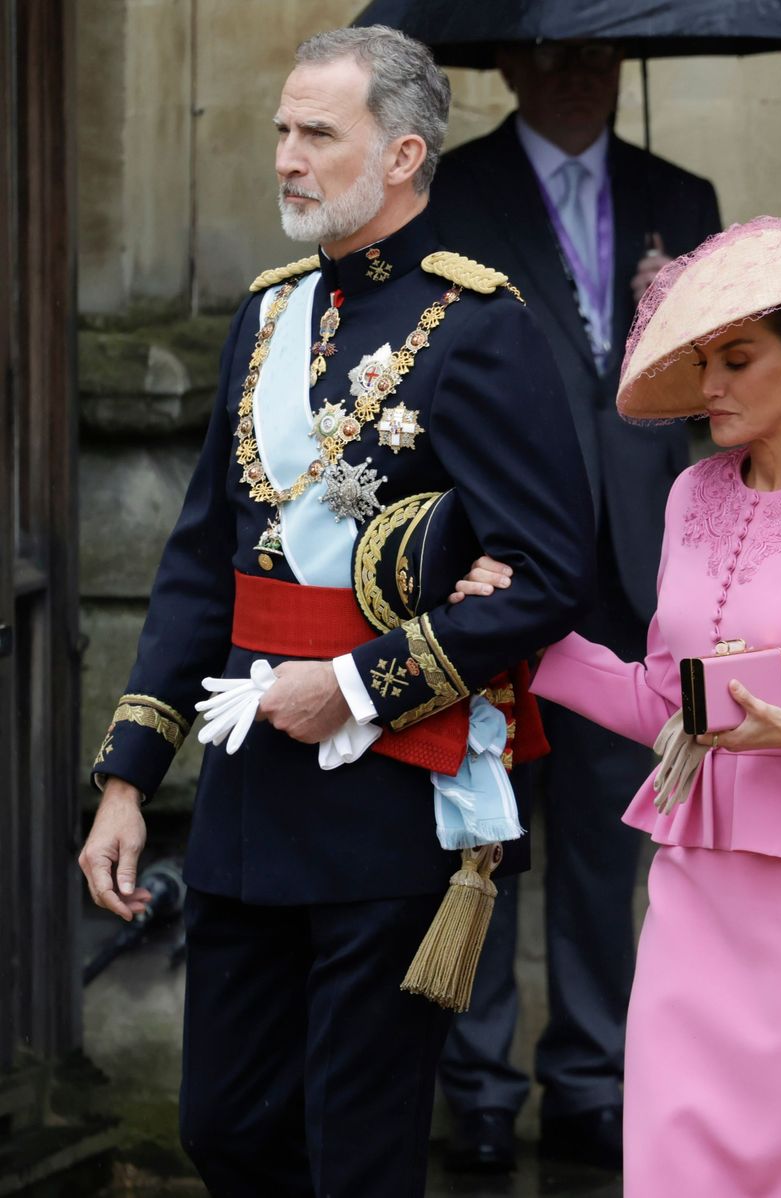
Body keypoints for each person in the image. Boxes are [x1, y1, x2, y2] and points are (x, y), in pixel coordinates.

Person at [76, 25, 594, 1198]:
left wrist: (357, 683)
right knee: (223, 1125)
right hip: (250, 796)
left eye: (319, 134)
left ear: (402, 154)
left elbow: (551, 573)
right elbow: (204, 563)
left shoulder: (481, 328)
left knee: (355, 1154)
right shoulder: (264, 321)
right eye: (280, 131)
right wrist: (125, 779)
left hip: (388, 800)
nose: (287, 158)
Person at [453, 214, 781, 1195]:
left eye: (737, 358)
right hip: (693, 895)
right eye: (702, 362)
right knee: (674, 1161)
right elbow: (661, 696)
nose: (712, 385)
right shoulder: (689, 496)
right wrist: (528, 639)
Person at [429, 38, 721, 1172]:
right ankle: (483, 1089)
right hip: (500, 560)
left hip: (636, 574)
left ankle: (592, 1079)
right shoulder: (454, 191)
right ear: (505, 62)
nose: (572, 72)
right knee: (484, 830)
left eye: (596, 51)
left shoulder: (679, 197)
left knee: (612, 843)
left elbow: (716, 380)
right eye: (548, 51)